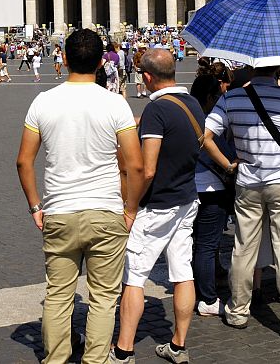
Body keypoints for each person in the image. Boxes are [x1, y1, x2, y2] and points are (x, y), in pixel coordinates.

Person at [16, 29, 142, 364]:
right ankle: (94, 360)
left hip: (59, 210)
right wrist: (130, 210)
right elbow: (135, 165)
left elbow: (24, 160)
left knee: (57, 295)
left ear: (65, 58)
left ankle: (55, 360)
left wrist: (35, 206)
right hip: (106, 211)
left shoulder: (43, 101)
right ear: (102, 61)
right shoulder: (116, 104)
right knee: (103, 298)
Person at [202, 64, 280, 342]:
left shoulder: (231, 98)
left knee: (243, 248)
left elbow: (207, 136)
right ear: (277, 70)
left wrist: (228, 164)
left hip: (248, 181)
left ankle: (237, 311)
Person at [111, 49, 201, 364]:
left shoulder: (157, 110)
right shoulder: (192, 105)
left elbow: (147, 169)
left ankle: (123, 350)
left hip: (158, 204)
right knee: (182, 272)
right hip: (187, 199)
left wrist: (131, 205)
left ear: (147, 77)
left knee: (135, 276)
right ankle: (178, 345)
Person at [187, 61, 235, 316]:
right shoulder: (210, 121)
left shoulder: (185, 116)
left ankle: (199, 282)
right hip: (212, 187)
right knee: (207, 244)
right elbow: (224, 155)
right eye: (217, 95)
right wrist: (231, 165)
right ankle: (207, 298)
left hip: (188, 188)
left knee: (197, 242)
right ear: (209, 96)